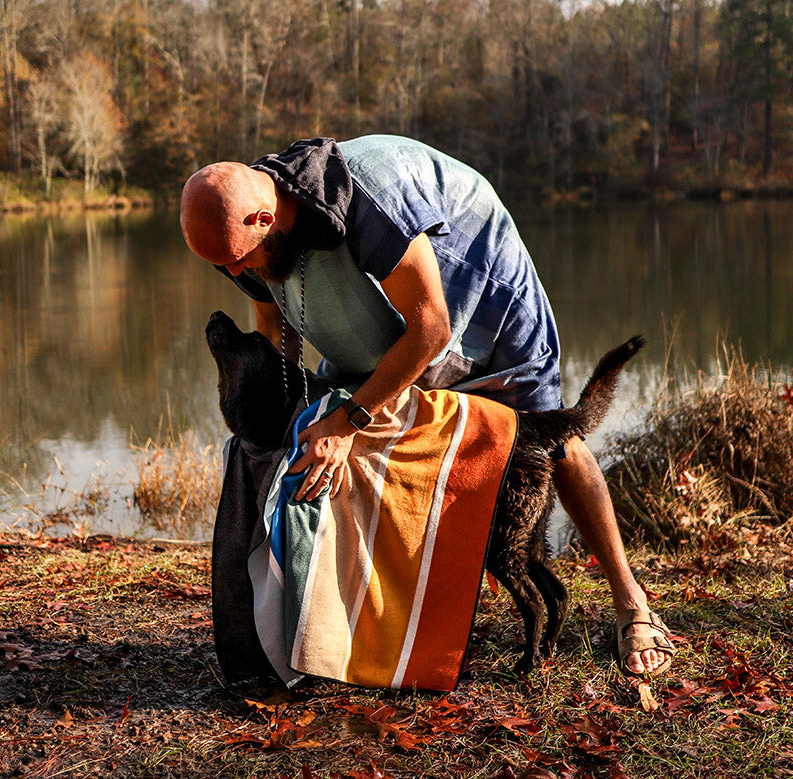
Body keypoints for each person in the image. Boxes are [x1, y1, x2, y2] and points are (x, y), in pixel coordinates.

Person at [180, 135, 675, 677]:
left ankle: (632, 603)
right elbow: (275, 329)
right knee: (341, 440)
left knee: (550, 439)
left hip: (475, 287)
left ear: (262, 216)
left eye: (238, 259)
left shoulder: (368, 199)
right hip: (371, 314)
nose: (236, 273)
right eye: (223, 267)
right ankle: (370, 620)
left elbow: (431, 326)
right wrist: (293, 416)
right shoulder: (240, 233)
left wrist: (347, 422)